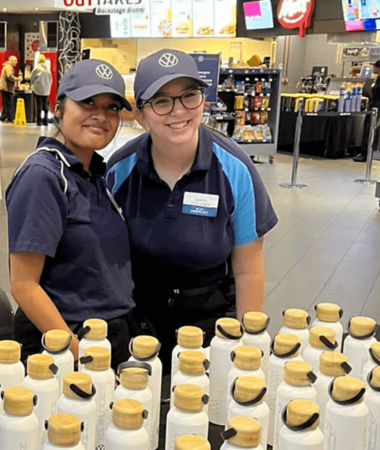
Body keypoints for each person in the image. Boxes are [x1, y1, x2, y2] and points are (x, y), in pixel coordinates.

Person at [106, 49, 278, 366]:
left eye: (189, 96)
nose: (178, 111)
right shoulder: (119, 171)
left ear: (203, 101)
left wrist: (244, 341)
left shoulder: (235, 168)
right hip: (139, 320)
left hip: (210, 320)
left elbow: (248, 269)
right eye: (161, 101)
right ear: (141, 115)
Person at [6, 59, 136, 365]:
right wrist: (83, 358)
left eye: (112, 108)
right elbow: (23, 285)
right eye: (88, 102)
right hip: (64, 347)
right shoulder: (43, 175)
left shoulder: (93, 174)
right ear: (59, 108)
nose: (101, 116)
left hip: (106, 338)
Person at [354, 60, 380, 162]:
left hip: (379, 105)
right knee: (366, 127)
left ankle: (366, 153)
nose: (373, 69)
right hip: (372, 105)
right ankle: (363, 151)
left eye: (374, 67)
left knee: (370, 130)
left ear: (378, 68)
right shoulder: (376, 79)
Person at [30, 55, 53, 126]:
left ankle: (39, 121)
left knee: (39, 104)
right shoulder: (47, 69)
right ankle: (45, 121)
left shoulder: (37, 68)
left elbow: (32, 77)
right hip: (46, 89)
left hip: (38, 88)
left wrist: (32, 84)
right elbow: (50, 79)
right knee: (45, 104)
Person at [0, 56, 20, 123]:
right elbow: (9, 76)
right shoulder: (8, 67)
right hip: (7, 88)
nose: (16, 62)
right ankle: (8, 118)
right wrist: (17, 79)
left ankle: (5, 117)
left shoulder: (6, 66)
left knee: (5, 103)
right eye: (15, 61)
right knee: (8, 103)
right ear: (11, 61)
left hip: (5, 88)